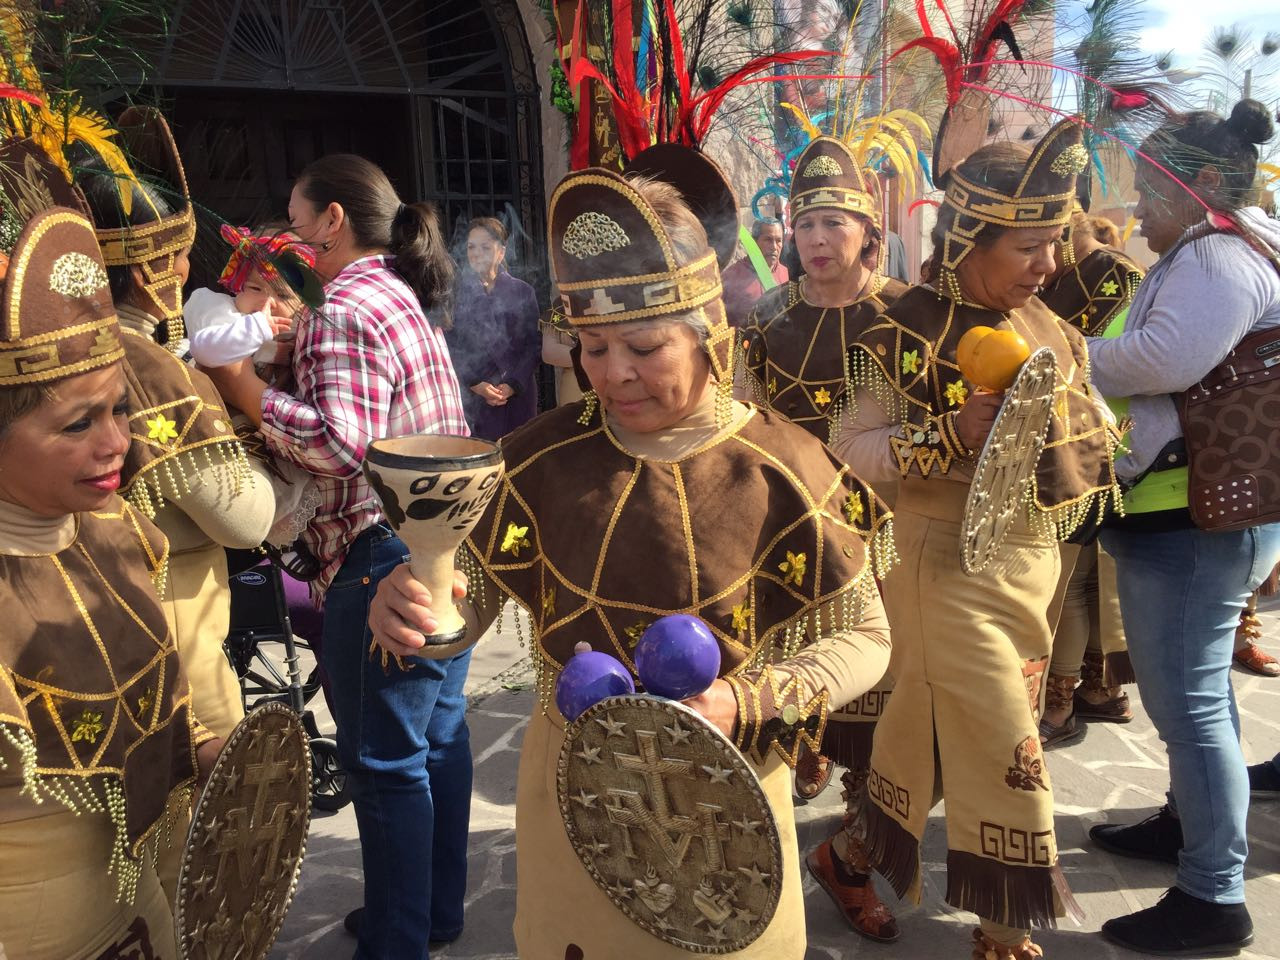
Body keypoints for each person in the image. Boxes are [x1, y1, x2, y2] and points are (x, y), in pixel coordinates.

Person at [367, 161, 897, 959]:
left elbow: (867, 638)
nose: (613, 373)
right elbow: (465, 601)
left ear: (709, 327)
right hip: (572, 799)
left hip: (731, 796)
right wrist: (418, 608)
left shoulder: (784, 468)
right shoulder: (538, 458)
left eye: (644, 346)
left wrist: (749, 701)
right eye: (591, 346)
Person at [839, 119, 1122, 960]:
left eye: (1055, 245)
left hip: (1031, 564)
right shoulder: (897, 327)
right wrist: (951, 436)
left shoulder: (1053, 326)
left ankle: (848, 852)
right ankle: (1005, 933)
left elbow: (1095, 424)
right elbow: (846, 449)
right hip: (941, 564)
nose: (1050, 265)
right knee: (1010, 744)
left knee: (930, 736)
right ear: (971, 236)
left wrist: (1086, 423)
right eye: (1032, 246)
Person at [203, 153, 471, 959]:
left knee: (385, 764)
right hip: (442, 544)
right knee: (438, 742)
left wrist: (244, 390)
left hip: (375, 555)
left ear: (331, 222)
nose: (285, 239)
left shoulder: (342, 305)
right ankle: (431, 912)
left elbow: (340, 444)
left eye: (294, 220)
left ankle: (398, 941)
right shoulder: (394, 291)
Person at [0, 171, 216, 959]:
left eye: (120, 408)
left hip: (143, 922)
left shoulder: (118, 529)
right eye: (76, 423)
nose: (117, 444)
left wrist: (211, 760)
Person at [1085, 99, 1280, 957]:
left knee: (1192, 704)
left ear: (1204, 187)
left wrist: (1061, 351)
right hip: (1184, 511)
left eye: (1151, 191)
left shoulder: (1218, 259)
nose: (1136, 210)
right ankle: (1190, 828)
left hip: (1195, 521)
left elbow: (1166, 359)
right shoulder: (1218, 251)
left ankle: (1213, 894)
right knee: (1191, 702)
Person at [738, 134, 907, 942]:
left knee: (881, 711)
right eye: (805, 224)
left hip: (887, 538)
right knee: (788, 689)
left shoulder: (905, 312)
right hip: (791, 535)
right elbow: (741, 420)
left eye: (834, 223)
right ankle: (799, 768)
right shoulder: (767, 318)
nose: (815, 239)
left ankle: (855, 858)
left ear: (867, 233)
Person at [76, 108, 277, 745]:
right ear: (145, 272)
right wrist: (263, 451)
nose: (189, 271)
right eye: (183, 258)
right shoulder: (147, 368)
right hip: (172, 644)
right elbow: (246, 519)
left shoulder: (77, 351)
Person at [1037, 208, 1145, 745]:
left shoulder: (1063, 294)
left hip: (1080, 447)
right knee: (1094, 580)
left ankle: (1059, 709)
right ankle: (1099, 691)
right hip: (1117, 445)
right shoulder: (1129, 275)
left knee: (1076, 584)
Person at [445, 217, 541, 440]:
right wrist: (475, 383)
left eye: (486, 247)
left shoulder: (522, 291)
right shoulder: (454, 294)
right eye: (471, 247)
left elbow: (533, 345)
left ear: (501, 252)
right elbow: (448, 345)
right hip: (473, 395)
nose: (476, 253)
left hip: (517, 395)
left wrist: (513, 384)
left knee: (519, 456)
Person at [722, 218, 788, 327]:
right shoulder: (731, 277)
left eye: (778, 240)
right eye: (768, 239)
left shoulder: (785, 273)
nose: (774, 247)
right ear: (754, 242)